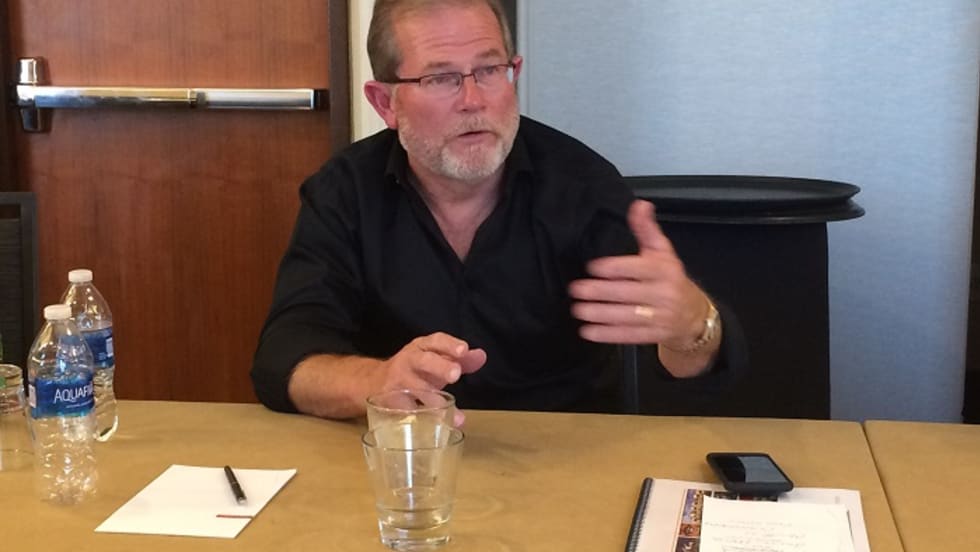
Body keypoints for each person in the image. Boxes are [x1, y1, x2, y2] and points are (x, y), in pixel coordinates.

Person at [251, 0, 743, 423]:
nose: (474, 100)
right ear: (385, 103)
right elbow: (283, 360)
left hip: (564, 460)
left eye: (489, 71)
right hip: (405, 460)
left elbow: (701, 376)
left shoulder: (582, 185)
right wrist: (377, 381)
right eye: (442, 78)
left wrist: (693, 326)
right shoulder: (345, 192)